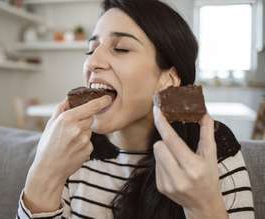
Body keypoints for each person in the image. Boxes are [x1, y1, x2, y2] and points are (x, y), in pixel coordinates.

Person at [16, 0, 255, 218]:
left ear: (169, 78)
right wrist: (44, 174)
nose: (92, 62)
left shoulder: (211, 149)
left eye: (121, 48)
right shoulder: (70, 149)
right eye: (91, 49)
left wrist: (204, 205)